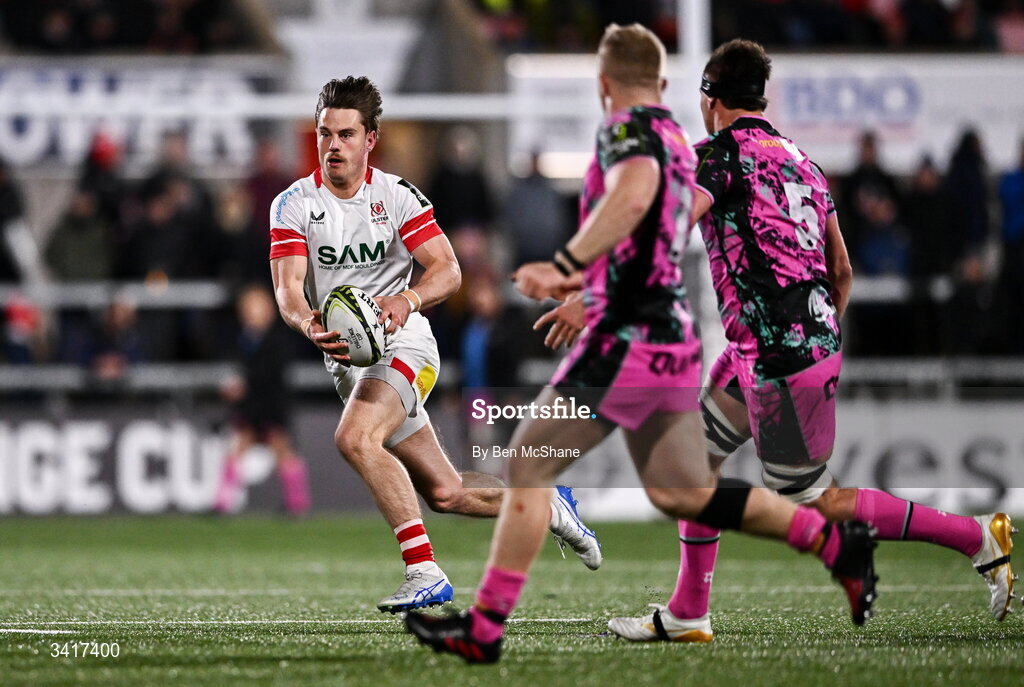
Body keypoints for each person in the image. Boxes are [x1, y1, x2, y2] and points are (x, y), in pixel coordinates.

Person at [405, 25, 878, 664]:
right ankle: (833, 546)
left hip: (627, 333)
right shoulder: (684, 148)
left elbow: (631, 201)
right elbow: (659, 233)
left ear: (604, 86)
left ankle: (485, 629)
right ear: (661, 84)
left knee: (529, 462)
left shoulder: (627, 132)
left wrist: (570, 270)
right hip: (671, 335)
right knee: (685, 492)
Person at [590, 38, 1015, 643]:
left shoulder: (718, 156)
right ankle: (688, 612)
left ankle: (975, 536)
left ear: (711, 98)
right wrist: (816, 333)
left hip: (778, 359)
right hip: (775, 348)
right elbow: (842, 271)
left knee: (818, 502)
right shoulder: (803, 162)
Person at [268, 77, 601, 613]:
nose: (333, 145)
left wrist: (408, 300)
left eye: (346, 134)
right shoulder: (293, 206)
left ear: (370, 139)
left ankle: (424, 571)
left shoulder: (397, 197)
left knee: (354, 440)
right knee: (446, 493)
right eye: (325, 133)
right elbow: (287, 292)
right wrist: (309, 325)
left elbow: (448, 270)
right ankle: (543, 503)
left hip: (406, 346)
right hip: (352, 365)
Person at [214, 285, 311, 516]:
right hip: (252, 406)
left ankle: (297, 502)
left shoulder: (277, 338)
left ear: (268, 310)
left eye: (255, 307)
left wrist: (243, 387)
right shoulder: (245, 339)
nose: (250, 313)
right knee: (239, 449)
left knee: (282, 450)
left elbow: (271, 373)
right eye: (247, 308)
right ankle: (222, 502)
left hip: (269, 405)